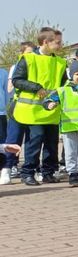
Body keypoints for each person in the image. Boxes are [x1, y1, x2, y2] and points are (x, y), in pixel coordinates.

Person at [11, 28, 68, 185]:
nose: (60, 45)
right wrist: (36, 87)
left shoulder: (61, 62)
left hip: (52, 110)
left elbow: (64, 84)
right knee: (34, 143)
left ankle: (48, 173)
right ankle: (28, 173)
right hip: (32, 111)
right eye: (58, 42)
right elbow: (17, 80)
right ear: (45, 42)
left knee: (51, 144)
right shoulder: (28, 59)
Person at [1, 41, 35, 184]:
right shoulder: (16, 67)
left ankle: (31, 169)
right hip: (18, 107)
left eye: (33, 53)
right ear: (21, 54)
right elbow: (9, 90)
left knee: (33, 140)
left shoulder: (37, 66)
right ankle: (7, 168)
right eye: (28, 53)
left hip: (34, 108)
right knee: (13, 139)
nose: (31, 56)